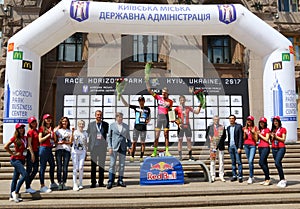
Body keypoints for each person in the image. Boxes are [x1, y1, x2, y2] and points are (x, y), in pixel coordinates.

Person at [146, 80, 173, 157]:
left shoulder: (170, 101)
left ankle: (167, 151)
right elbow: (149, 91)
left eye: (164, 93)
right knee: (157, 135)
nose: (163, 94)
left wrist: (172, 119)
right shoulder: (158, 98)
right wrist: (147, 82)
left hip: (166, 118)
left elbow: (170, 111)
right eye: (162, 92)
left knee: (166, 135)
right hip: (159, 118)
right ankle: (154, 151)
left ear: (167, 93)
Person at [120, 94, 151, 162]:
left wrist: (148, 121)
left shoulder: (147, 109)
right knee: (134, 142)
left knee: (143, 143)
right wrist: (121, 96)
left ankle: (141, 157)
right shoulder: (136, 107)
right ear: (138, 101)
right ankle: (132, 156)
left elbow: (149, 118)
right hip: (136, 127)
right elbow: (126, 104)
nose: (141, 102)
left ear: (144, 101)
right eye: (140, 100)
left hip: (143, 127)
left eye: (142, 100)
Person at [4, 123, 28, 203]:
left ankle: (11, 196)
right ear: (17, 129)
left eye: (22, 128)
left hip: (22, 159)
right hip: (15, 160)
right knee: (25, 174)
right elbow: (5, 146)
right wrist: (13, 153)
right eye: (20, 128)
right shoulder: (15, 138)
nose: (21, 129)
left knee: (15, 178)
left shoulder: (25, 138)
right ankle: (16, 192)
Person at [107, 112, 132, 189]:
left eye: (121, 117)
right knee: (112, 164)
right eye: (119, 117)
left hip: (123, 147)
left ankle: (120, 180)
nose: (120, 118)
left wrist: (129, 146)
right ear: (116, 118)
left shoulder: (126, 126)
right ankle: (111, 181)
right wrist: (110, 147)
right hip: (114, 147)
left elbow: (128, 137)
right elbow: (109, 137)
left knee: (122, 165)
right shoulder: (112, 126)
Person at [174, 95, 201, 161]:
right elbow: (173, 117)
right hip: (181, 126)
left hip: (187, 125)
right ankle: (180, 156)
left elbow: (196, 112)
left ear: (185, 101)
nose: (182, 101)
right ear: (179, 101)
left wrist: (200, 105)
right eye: (181, 100)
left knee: (189, 140)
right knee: (180, 141)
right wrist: (178, 123)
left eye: (183, 100)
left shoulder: (188, 108)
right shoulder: (177, 109)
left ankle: (190, 156)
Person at [87, 110, 109, 188]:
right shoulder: (91, 124)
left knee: (101, 166)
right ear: (95, 116)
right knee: (93, 166)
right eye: (97, 115)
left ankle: (101, 182)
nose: (99, 116)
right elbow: (88, 135)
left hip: (102, 148)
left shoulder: (106, 124)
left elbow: (107, 135)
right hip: (94, 148)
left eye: (100, 115)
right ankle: (93, 182)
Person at [38, 114, 58, 193]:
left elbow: (54, 139)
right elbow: (40, 140)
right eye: (47, 118)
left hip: (49, 148)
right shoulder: (42, 128)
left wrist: (53, 135)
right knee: (43, 167)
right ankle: (42, 185)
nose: (49, 120)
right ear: (44, 120)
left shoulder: (52, 128)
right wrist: (48, 135)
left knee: (52, 165)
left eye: (50, 118)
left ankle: (52, 182)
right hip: (43, 148)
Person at [54, 116, 74, 190]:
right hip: (59, 149)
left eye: (66, 121)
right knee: (59, 167)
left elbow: (71, 142)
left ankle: (64, 183)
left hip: (67, 150)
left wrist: (65, 142)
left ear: (68, 122)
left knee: (65, 167)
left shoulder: (70, 131)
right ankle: (59, 182)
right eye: (63, 121)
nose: (64, 123)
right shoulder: (58, 130)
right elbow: (55, 140)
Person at [206, 115, 226, 182]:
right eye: (215, 119)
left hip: (220, 147)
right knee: (212, 161)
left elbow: (224, 137)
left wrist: (219, 142)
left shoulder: (222, 127)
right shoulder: (209, 127)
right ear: (213, 120)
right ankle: (212, 175)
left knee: (221, 161)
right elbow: (207, 136)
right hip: (213, 147)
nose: (216, 121)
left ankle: (221, 175)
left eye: (217, 119)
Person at [270, 116, 287, 188]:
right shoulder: (273, 130)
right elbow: (271, 140)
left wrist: (276, 137)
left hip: (281, 148)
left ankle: (283, 179)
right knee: (278, 164)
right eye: (274, 121)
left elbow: (283, 139)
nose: (275, 122)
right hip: (274, 148)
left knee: (277, 162)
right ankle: (281, 179)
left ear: (279, 122)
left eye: (276, 121)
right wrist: (272, 137)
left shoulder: (283, 129)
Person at [71, 120, 88, 191]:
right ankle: (75, 184)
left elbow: (86, 143)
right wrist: (72, 132)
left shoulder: (85, 133)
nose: (81, 125)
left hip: (82, 151)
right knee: (76, 168)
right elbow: (71, 140)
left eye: (83, 124)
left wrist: (86, 152)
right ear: (78, 125)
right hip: (75, 151)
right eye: (80, 124)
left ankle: (80, 183)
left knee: (81, 167)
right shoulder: (75, 132)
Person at [227, 114, 243, 183]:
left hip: (237, 147)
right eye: (230, 118)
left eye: (232, 118)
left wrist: (240, 147)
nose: (231, 120)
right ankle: (234, 176)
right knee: (233, 162)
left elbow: (240, 137)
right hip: (231, 146)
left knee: (239, 162)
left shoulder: (239, 126)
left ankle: (240, 176)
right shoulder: (228, 128)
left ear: (235, 119)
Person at [25, 116, 39, 194]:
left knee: (36, 169)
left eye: (35, 122)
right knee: (29, 170)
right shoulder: (30, 132)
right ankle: (27, 186)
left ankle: (28, 183)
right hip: (31, 152)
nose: (34, 123)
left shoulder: (36, 131)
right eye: (32, 122)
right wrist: (32, 154)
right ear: (30, 123)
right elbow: (29, 144)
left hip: (36, 151)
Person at [243, 115, 258, 184]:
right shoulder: (245, 128)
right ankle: (252, 175)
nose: (249, 121)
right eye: (248, 120)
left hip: (252, 145)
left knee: (250, 161)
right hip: (246, 145)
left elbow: (256, 139)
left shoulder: (255, 128)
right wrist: (245, 133)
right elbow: (244, 138)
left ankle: (250, 176)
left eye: (250, 120)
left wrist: (252, 132)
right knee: (250, 161)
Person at [257, 117, 271, 186]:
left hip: (266, 147)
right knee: (265, 163)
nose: (261, 123)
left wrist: (259, 135)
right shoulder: (260, 130)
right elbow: (257, 139)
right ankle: (266, 179)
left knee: (261, 162)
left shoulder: (267, 130)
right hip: (260, 147)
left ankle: (268, 178)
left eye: (263, 122)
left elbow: (266, 139)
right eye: (260, 122)